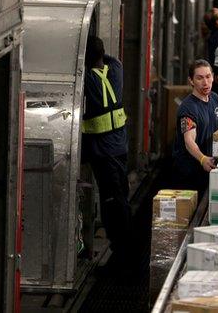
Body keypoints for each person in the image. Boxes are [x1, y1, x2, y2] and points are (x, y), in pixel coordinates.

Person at [81, 35, 131, 268]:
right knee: (121, 196)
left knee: (112, 202)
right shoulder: (117, 69)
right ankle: (123, 249)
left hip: (103, 152)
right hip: (120, 146)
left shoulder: (87, 79)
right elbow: (111, 57)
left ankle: (121, 255)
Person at [172, 60, 218, 197]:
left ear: (213, 76)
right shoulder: (188, 109)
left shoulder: (214, 98)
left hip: (208, 168)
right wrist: (202, 159)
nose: (205, 82)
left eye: (208, 76)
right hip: (190, 173)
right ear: (191, 81)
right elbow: (189, 140)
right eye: (199, 78)